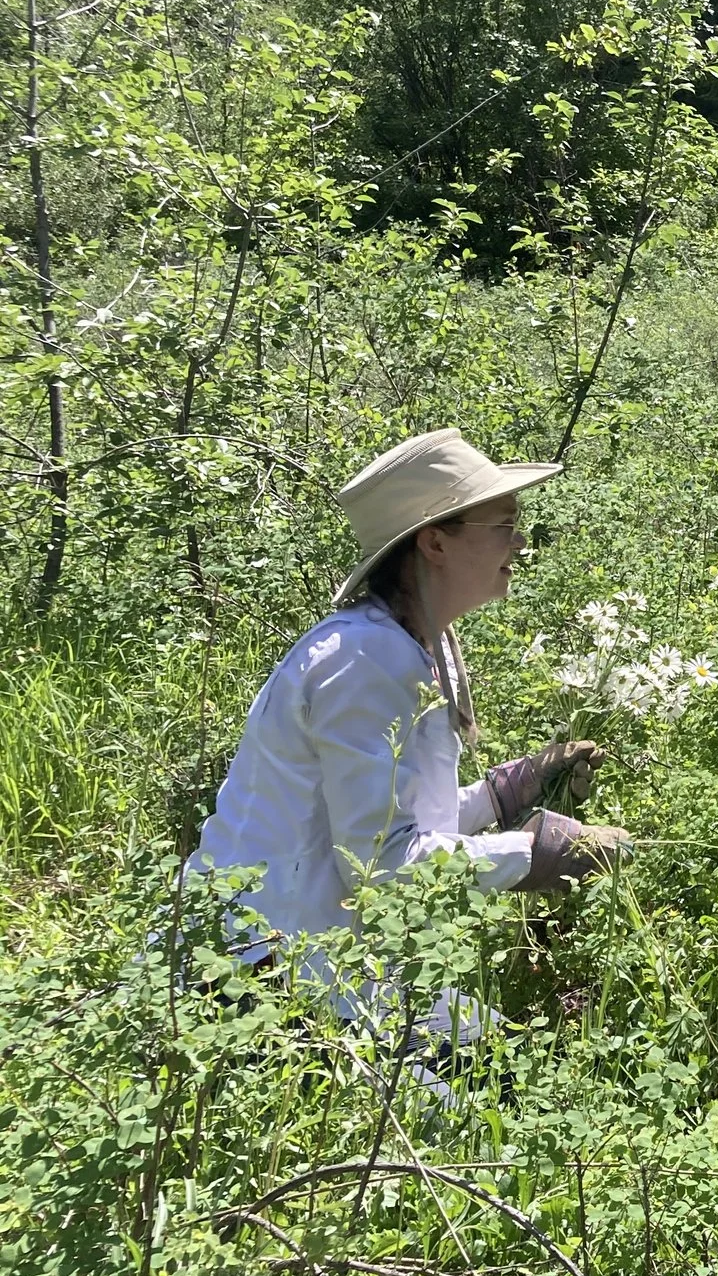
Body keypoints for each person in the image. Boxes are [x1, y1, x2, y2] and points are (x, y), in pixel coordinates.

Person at [186, 429, 630, 1006]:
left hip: (327, 949)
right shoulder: (362, 659)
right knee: (470, 1080)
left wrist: (504, 792)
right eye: (503, 525)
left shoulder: (415, 640)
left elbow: (404, 823)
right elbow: (379, 867)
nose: (520, 541)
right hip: (255, 967)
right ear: (435, 544)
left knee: (476, 1050)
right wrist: (535, 851)